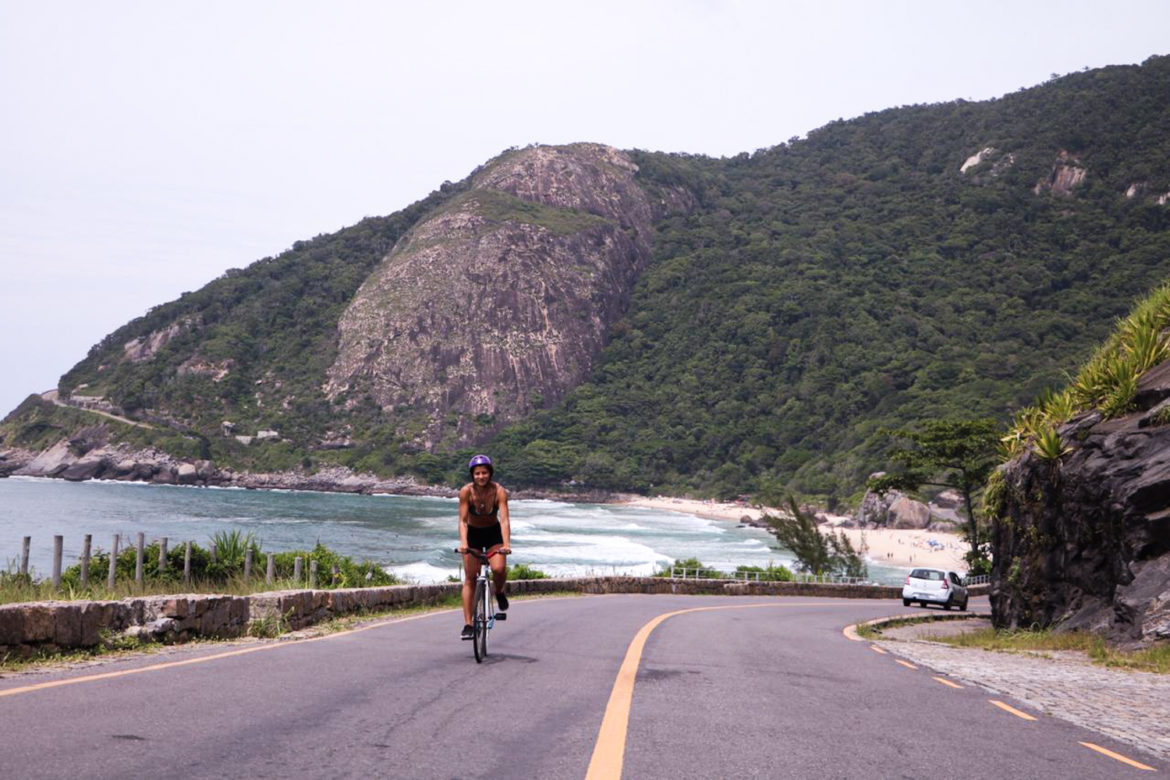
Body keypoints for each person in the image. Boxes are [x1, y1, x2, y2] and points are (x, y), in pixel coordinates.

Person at [458, 454, 511, 639]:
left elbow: (504, 520)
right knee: (470, 578)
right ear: (472, 475)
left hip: (492, 534)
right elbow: (463, 521)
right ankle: (468, 624)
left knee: (499, 568)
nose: (481, 476)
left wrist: (506, 544)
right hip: (473, 534)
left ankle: (498, 591)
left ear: (490, 473)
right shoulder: (466, 492)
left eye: (485, 473)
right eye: (477, 473)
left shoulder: (499, 491)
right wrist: (464, 543)